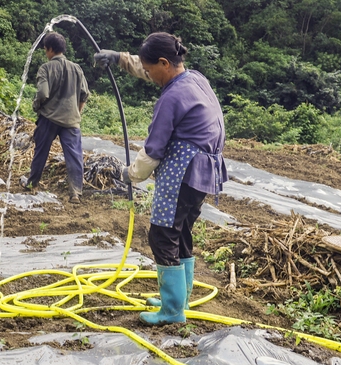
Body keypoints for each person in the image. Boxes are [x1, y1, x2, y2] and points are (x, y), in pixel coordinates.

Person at [94, 32, 227, 325]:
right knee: (181, 232)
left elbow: (153, 149)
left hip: (184, 171)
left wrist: (130, 174)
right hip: (205, 173)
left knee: (162, 234)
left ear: (164, 63)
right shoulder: (195, 79)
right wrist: (119, 58)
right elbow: (146, 68)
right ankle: (180, 297)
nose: (148, 74)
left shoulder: (171, 98)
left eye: (151, 68)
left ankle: (172, 311)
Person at [22, 31, 89, 204]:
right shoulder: (77, 68)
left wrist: (36, 105)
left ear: (50, 49)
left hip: (49, 118)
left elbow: (43, 93)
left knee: (41, 151)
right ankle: (75, 193)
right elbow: (84, 95)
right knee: (74, 156)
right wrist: (77, 113)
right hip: (71, 121)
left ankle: (32, 184)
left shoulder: (46, 68)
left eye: (45, 49)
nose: (46, 52)